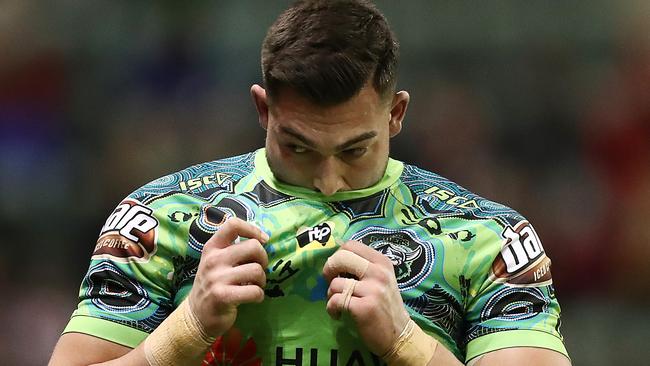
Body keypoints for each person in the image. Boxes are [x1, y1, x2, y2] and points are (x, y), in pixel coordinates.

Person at [49, 1, 570, 365]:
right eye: (298, 148)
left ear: (396, 114)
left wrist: (407, 343)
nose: (327, 181)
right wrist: (186, 330)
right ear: (262, 108)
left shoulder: (489, 238)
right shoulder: (158, 217)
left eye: (354, 150)